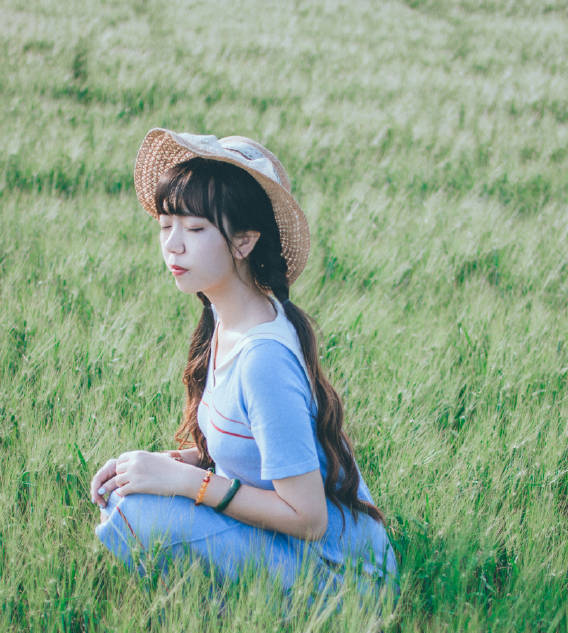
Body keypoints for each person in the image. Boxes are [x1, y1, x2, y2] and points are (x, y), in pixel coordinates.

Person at [91, 128, 398, 600]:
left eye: (194, 229)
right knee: (126, 492)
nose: (172, 245)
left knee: (138, 515)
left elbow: (310, 518)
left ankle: (227, 615)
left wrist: (189, 481)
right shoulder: (226, 316)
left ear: (244, 242)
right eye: (165, 225)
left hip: (344, 577)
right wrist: (168, 465)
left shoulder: (263, 360)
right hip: (310, 550)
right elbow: (249, 451)